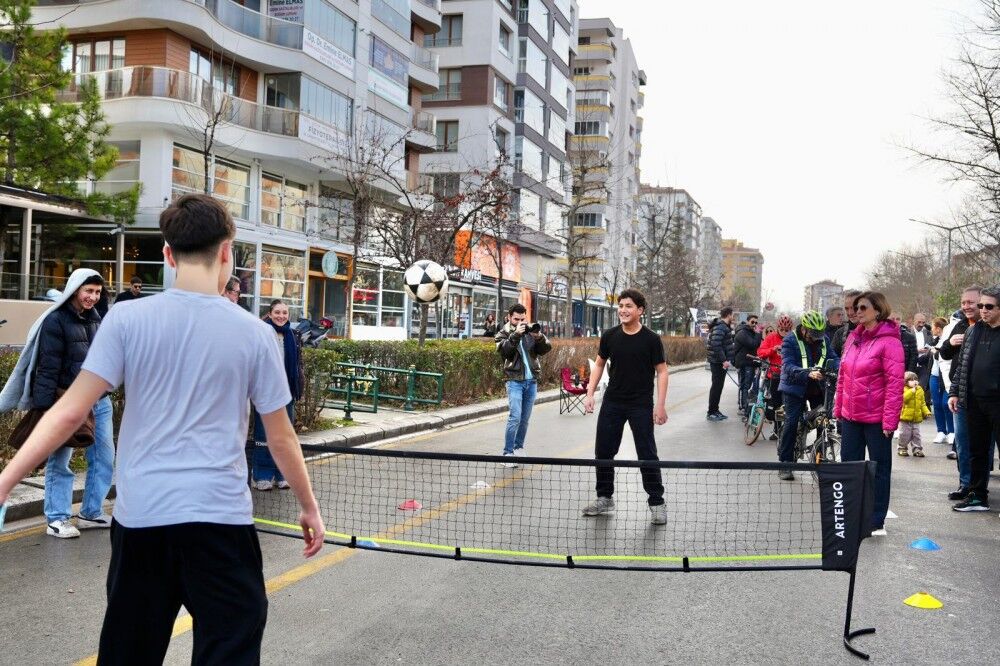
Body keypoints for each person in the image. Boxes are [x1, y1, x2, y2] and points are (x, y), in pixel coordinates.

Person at [0, 194, 324, 662]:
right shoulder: (255, 334)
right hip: (221, 522)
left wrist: (7, 480)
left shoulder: (126, 319)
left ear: (168, 255)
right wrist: (308, 506)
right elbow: (280, 435)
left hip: (142, 519)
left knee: (130, 652)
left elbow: (69, 412)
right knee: (229, 649)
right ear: (228, 252)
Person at [0, 269, 116, 539]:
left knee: (104, 458)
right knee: (60, 460)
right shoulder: (55, 321)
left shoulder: (96, 318)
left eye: (97, 292)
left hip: (98, 399)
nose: (92, 297)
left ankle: (91, 512)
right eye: (88, 291)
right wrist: (44, 407)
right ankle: (57, 517)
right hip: (66, 400)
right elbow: (48, 367)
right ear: (75, 289)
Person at [581, 289, 669, 525]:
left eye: (629, 306)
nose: (623, 310)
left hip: (640, 403)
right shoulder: (610, 336)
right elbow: (599, 365)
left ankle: (657, 502)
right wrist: (589, 394)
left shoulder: (651, 339)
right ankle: (604, 498)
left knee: (647, 453)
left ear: (640, 310)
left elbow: (662, 371)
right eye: (621, 305)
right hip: (613, 401)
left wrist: (660, 406)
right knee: (604, 451)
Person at [834, 291, 904, 536]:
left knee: (879, 470)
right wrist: (838, 409)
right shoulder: (853, 338)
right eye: (855, 308)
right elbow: (843, 376)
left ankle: (876, 519)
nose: (856, 312)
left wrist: (889, 420)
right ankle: (851, 514)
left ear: (878, 310)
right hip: (851, 418)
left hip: (876, 421)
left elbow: (895, 385)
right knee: (849, 468)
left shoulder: (890, 341)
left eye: (862, 307)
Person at [948, 285, 1000, 512]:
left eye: (989, 306)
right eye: (981, 306)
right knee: (976, 451)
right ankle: (978, 496)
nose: (983, 310)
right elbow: (963, 365)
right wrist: (954, 392)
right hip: (975, 402)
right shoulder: (973, 331)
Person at [776, 310, 839, 479]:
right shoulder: (790, 340)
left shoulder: (824, 339)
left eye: (819, 334)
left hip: (817, 387)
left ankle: (820, 458)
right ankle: (785, 463)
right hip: (794, 387)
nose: (817, 338)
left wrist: (841, 369)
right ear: (804, 329)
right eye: (813, 334)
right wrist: (807, 372)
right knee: (791, 422)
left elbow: (834, 358)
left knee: (823, 420)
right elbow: (787, 366)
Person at [252, 299, 305, 490]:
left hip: (287, 393)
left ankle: (282, 474)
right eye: (277, 312)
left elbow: (298, 365)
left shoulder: (293, 335)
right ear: (270, 313)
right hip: (264, 392)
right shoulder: (261, 333)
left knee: (285, 436)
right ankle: (263, 476)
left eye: (284, 313)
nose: (281, 316)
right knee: (263, 435)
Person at [938, 285, 983, 499]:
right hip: (961, 393)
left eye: (971, 302)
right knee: (963, 444)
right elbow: (944, 354)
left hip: (985, 397)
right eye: (963, 302)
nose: (966, 306)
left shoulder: (989, 327)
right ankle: (966, 485)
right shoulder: (960, 325)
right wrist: (950, 342)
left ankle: (978, 488)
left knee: (982, 447)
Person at [494, 303, 551, 466]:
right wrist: (515, 335)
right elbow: (505, 352)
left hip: (531, 380)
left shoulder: (529, 330)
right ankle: (507, 453)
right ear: (509, 317)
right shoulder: (502, 333)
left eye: (522, 319)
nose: (519, 322)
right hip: (514, 381)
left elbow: (546, 349)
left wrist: (538, 337)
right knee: (515, 417)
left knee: (525, 419)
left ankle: (518, 448)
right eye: (516, 319)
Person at [757, 314, 793, 440]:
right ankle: (777, 430)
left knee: (789, 405)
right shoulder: (771, 337)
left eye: (786, 330)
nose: (783, 332)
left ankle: (789, 431)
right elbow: (760, 352)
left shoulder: (793, 338)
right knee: (777, 405)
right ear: (778, 327)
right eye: (781, 329)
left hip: (790, 376)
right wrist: (773, 349)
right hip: (775, 375)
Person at [928, 316, 955, 445]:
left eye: (933, 327)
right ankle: (941, 431)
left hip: (946, 377)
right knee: (937, 404)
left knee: (946, 404)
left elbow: (945, 356)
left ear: (938, 328)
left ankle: (952, 432)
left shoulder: (949, 339)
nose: (932, 329)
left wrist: (935, 352)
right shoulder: (935, 341)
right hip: (934, 376)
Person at [706, 306, 735, 421]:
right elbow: (716, 344)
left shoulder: (724, 327)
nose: (733, 317)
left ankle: (715, 410)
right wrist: (724, 360)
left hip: (720, 362)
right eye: (732, 315)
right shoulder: (721, 327)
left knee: (718, 387)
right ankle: (711, 412)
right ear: (728, 315)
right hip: (718, 362)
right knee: (716, 387)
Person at [733, 314, 762, 416]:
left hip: (750, 362)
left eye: (756, 322)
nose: (754, 324)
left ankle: (746, 406)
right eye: (752, 322)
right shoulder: (742, 333)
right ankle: (743, 407)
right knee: (745, 385)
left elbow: (757, 345)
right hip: (744, 362)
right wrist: (758, 333)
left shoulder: (751, 332)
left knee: (747, 385)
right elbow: (753, 344)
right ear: (747, 321)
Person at [898, 371, 930, 457]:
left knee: (916, 435)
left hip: (916, 418)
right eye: (911, 380)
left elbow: (923, 403)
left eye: (916, 379)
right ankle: (902, 448)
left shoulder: (920, 390)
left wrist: (926, 411)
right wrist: (911, 391)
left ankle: (917, 449)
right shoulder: (903, 389)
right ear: (905, 381)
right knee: (904, 435)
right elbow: (903, 399)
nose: (914, 381)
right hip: (905, 418)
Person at [831, 290, 863, 358]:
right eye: (847, 309)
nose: (850, 313)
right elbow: (833, 359)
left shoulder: (878, 331)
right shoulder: (840, 333)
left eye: (854, 308)